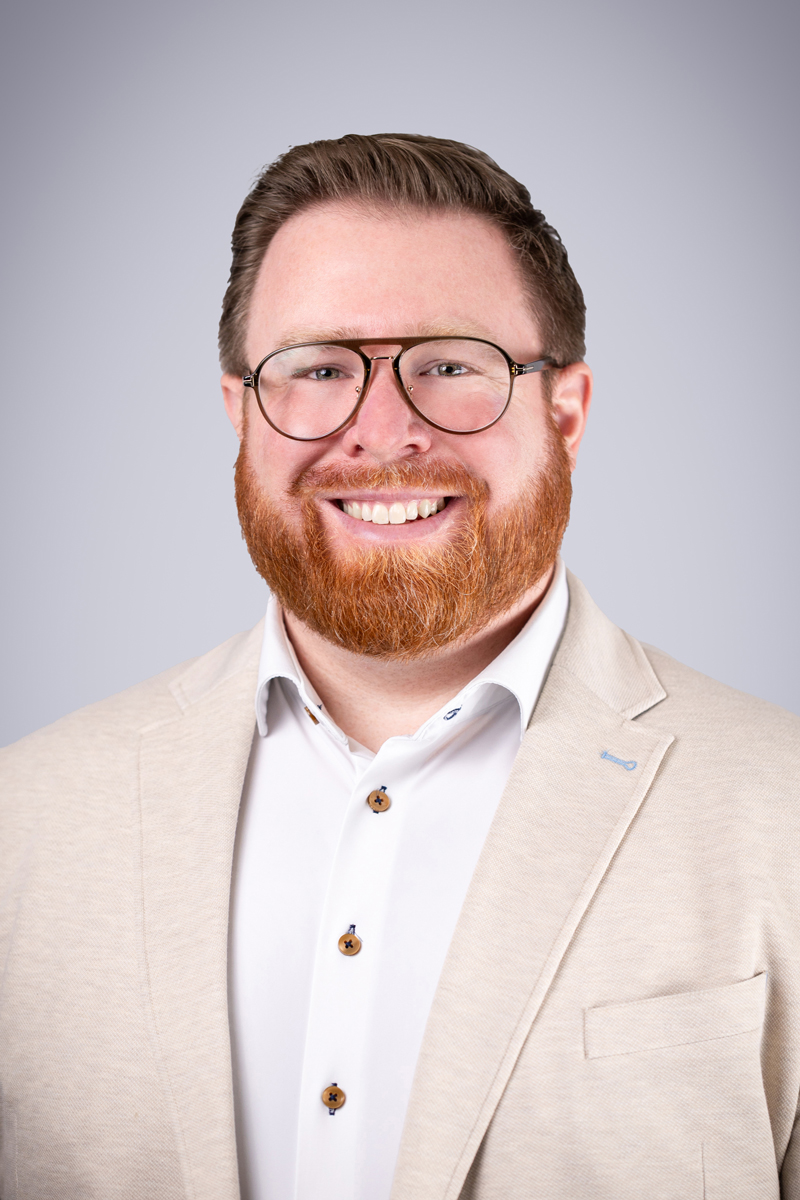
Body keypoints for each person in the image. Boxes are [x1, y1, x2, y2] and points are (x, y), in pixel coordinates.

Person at [1, 133, 798, 1200]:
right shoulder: (26, 821)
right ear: (240, 414)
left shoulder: (780, 810)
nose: (381, 431)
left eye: (450, 367)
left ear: (563, 413)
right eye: (319, 368)